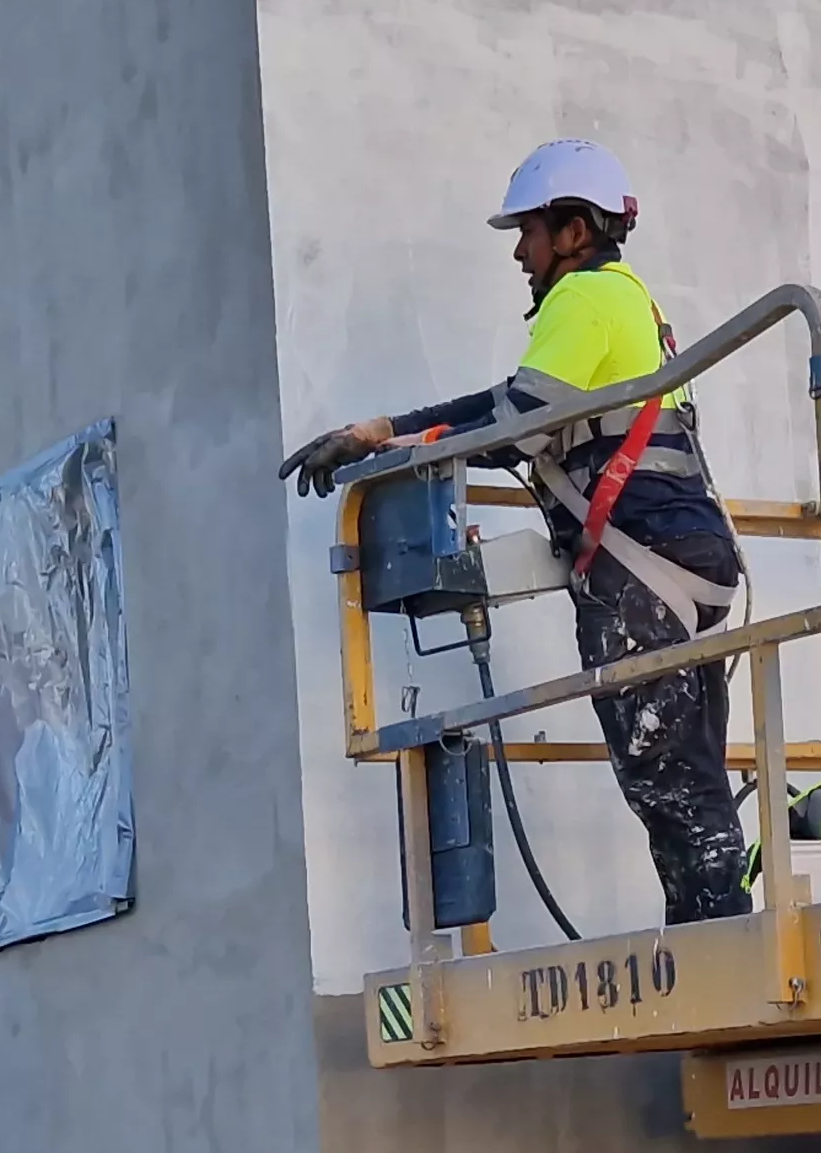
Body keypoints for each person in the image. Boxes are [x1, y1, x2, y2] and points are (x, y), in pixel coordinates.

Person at [280, 140, 751, 925]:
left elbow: (516, 428)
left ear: (574, 231)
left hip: (643, 569)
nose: (519, 254)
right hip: (683, 560)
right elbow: (515, 403)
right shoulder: (628, 302)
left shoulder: (584, 298)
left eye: (528, 232)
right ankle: (714, 932)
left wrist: (390, 445)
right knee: (685, 777)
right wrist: (382, 431)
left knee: (667, 783)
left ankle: (719, 945)